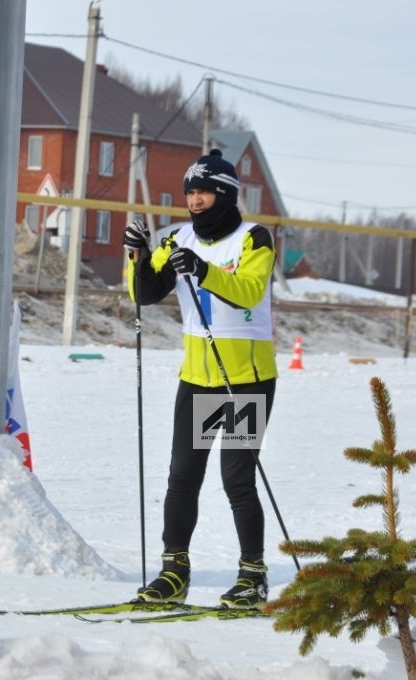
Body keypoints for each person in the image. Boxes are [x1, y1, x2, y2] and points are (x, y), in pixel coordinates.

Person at [123, 148, 278, 609]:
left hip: (245, 379)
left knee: (237, 479)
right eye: (190, 191)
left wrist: (205, 270)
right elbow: (145, 294)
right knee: (182, 478)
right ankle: (174, 571)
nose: (195, 200)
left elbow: (248, 290)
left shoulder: (254, 238)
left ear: (225, 194)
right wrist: (139, 254)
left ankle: (253, 574)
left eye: (204, 191)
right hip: (198, 377)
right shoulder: (178, 239)